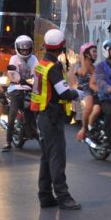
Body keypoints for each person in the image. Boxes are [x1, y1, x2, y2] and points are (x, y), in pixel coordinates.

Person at [31, 28, 81, 210]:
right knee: (57, 158)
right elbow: (64, 92)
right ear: (61, 47)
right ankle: (63, 196)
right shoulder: (53, 68)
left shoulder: (41, 64)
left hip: (41, 116)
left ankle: (45, 196)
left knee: (46, 157)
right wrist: (77, 93)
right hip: (51, 117)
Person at [4, 35, 38, 151]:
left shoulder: (34, 59)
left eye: (27, 49)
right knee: (12, 113)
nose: (25, 51)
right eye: (22, 49)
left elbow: (36, 73)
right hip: (16, 88)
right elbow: (12, 74)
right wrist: (18, 80)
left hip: (30, 88)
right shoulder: (13, 59)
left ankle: (33, 129)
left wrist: (34, 81)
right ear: (17, 48)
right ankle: (8, 141)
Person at [73, 41, 99, 142]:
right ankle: (83, 129)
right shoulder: (79, 65)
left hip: (95, 90)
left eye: (96, 52)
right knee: (88, 107)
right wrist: (85, 61)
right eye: (93, 51)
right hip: (84, 90)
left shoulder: (94, 67)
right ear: (87, 54)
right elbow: (82, 72)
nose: (96, 54)